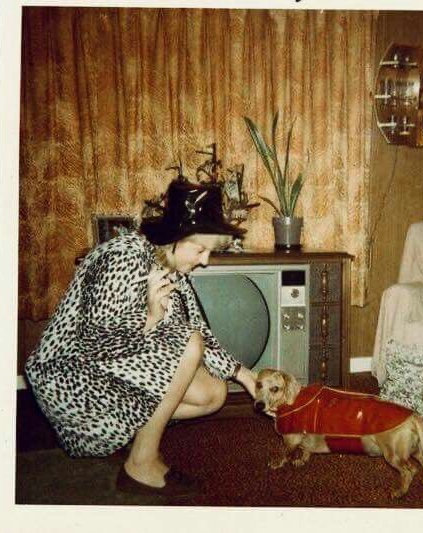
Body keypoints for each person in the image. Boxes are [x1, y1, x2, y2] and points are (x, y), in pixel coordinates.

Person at [24, 179, 257, 499]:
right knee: (189, 345)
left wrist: (245, 376)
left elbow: (200, 329)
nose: (205, 260)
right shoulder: (122, 257)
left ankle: (134, 434)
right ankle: (141, 463)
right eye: (200, 250)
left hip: (113, 364)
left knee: (213, 394)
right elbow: (91, 344)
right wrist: (149, 319)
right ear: (176, 238)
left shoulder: (169, 264)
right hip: (70, 377)